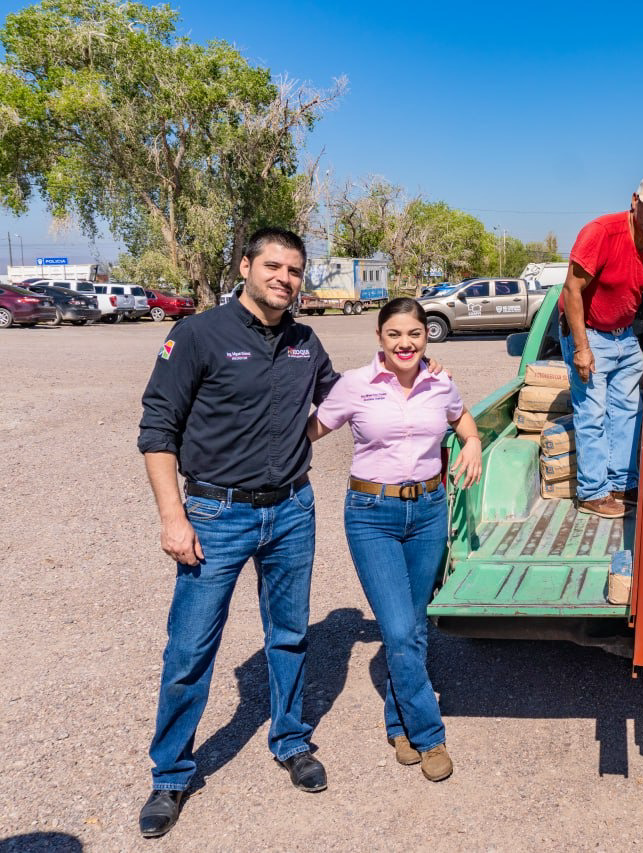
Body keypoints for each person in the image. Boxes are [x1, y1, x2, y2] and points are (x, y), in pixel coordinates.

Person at [135, 227, 341, 838]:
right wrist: (173, 516)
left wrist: (415, 374)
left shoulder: (305, 342)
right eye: (273, 266)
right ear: (246, 267)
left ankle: (291, 740)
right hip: (216, 516)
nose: (284, 279)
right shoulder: (197, 334)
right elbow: (157, 428)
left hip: (292, 511)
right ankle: (171, 773)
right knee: (189, 650)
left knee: (290, 635)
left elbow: (343, 400)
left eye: (294, 270)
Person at [307, 298, 481, 783]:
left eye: (415, 334)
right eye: (395, 334)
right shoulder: (354, 385)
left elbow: (461, 418)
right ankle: (429, 735)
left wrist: (473, 441)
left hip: (428, 511)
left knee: (414, 625)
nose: (405, 343)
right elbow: (310, 431)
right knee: (401, 628)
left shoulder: (440, 382)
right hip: (372, 515)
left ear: (427, 336)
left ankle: (398, 724)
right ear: (379, 338)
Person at [561, 174, 643, 519]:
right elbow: (571, 290)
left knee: (628, 413)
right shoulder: (602, 232)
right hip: (589, 334)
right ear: (634, 201)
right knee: (593, 414)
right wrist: (582, 348)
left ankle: (621, 483)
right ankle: (592, 492)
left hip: (625, 337)